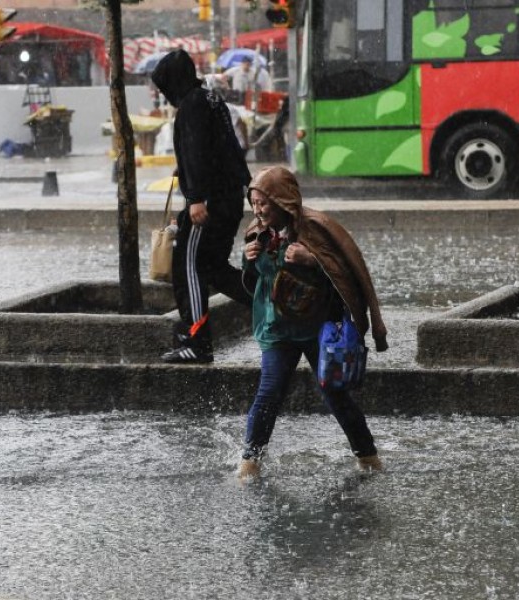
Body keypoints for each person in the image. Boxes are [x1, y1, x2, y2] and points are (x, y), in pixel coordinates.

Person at [237, 166, 388, 480]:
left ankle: (367, 456)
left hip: (318, 329)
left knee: (335, 394)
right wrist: (248, 259)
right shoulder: (256, 232)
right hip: (277, 329)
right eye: (254, 202)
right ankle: (250, 462)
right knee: (268, 393)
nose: (258, 210)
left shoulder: (317, 229)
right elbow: (257, 283)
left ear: (283, 201)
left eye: (263, 203)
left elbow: (344, 274)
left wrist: (313, 262)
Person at [151, 49, 252, 364]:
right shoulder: (210, 98)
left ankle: (197, 339)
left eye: (164, 86)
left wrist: (195, 197)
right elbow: (220, 146)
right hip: (228, 195)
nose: (165, 95)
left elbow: (196, 149)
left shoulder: (191, 105)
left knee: (189, 265)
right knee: (214, 267)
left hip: (208, 201)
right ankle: (272, 303)